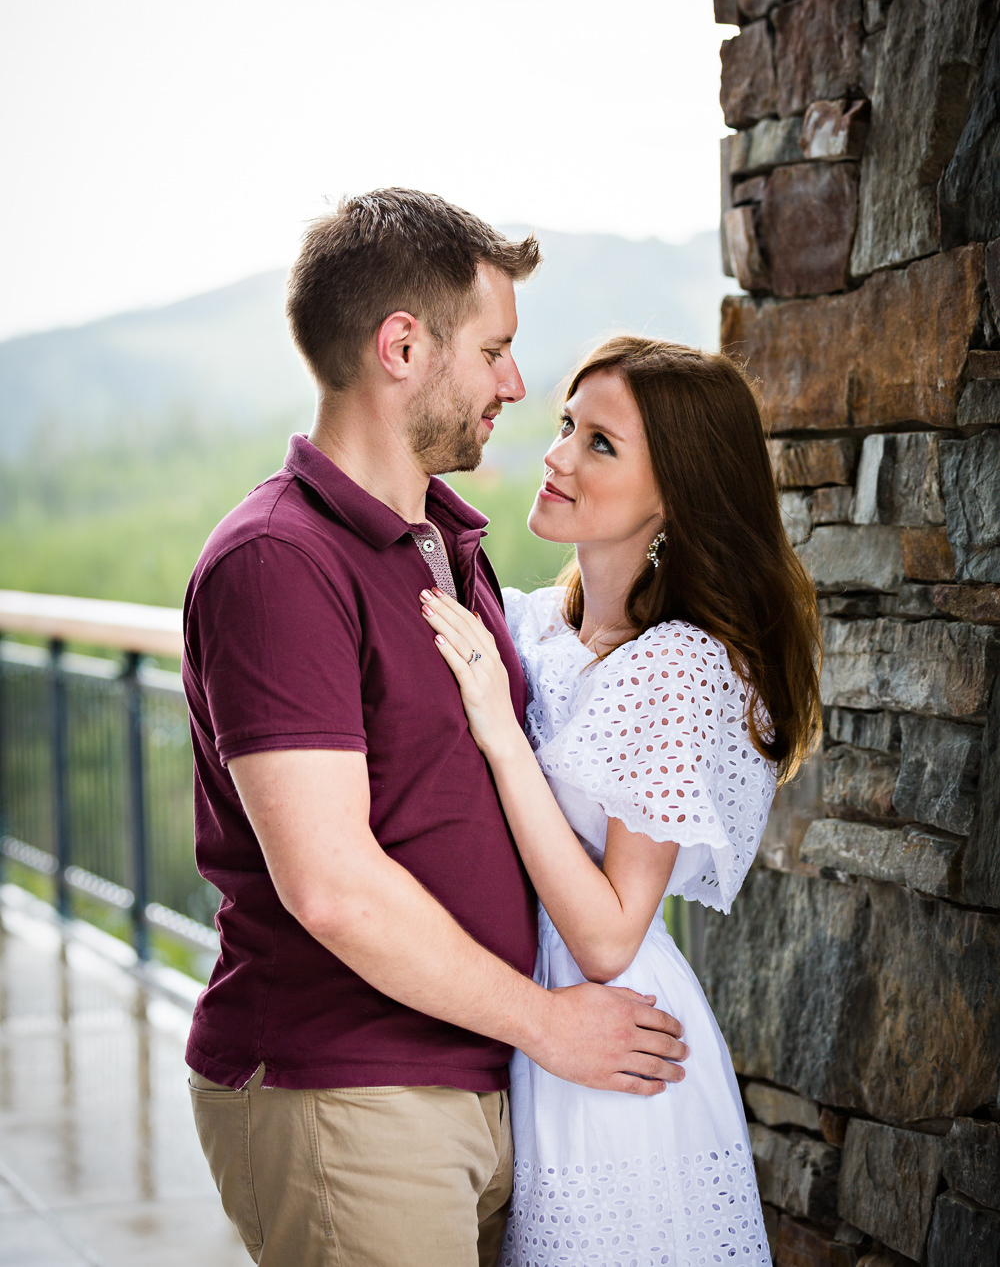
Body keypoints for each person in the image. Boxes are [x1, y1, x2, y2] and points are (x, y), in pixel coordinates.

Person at [181, 192, 688, 1267]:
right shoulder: (277, 563)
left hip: (486, 1079)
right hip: (351, 1094)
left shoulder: (447, 548)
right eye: (495, 351)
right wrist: (552, 1027)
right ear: (403, 347)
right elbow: (332, 886)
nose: (514, 383)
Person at [418, 335, 822, 1266]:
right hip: (530, 1027)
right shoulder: (534, 626)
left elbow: (608, 936)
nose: (557, 454)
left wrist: (500, 731)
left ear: (675, 494)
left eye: (601, 444)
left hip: (614, 1051)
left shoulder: (675, 666)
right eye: (567, 424)